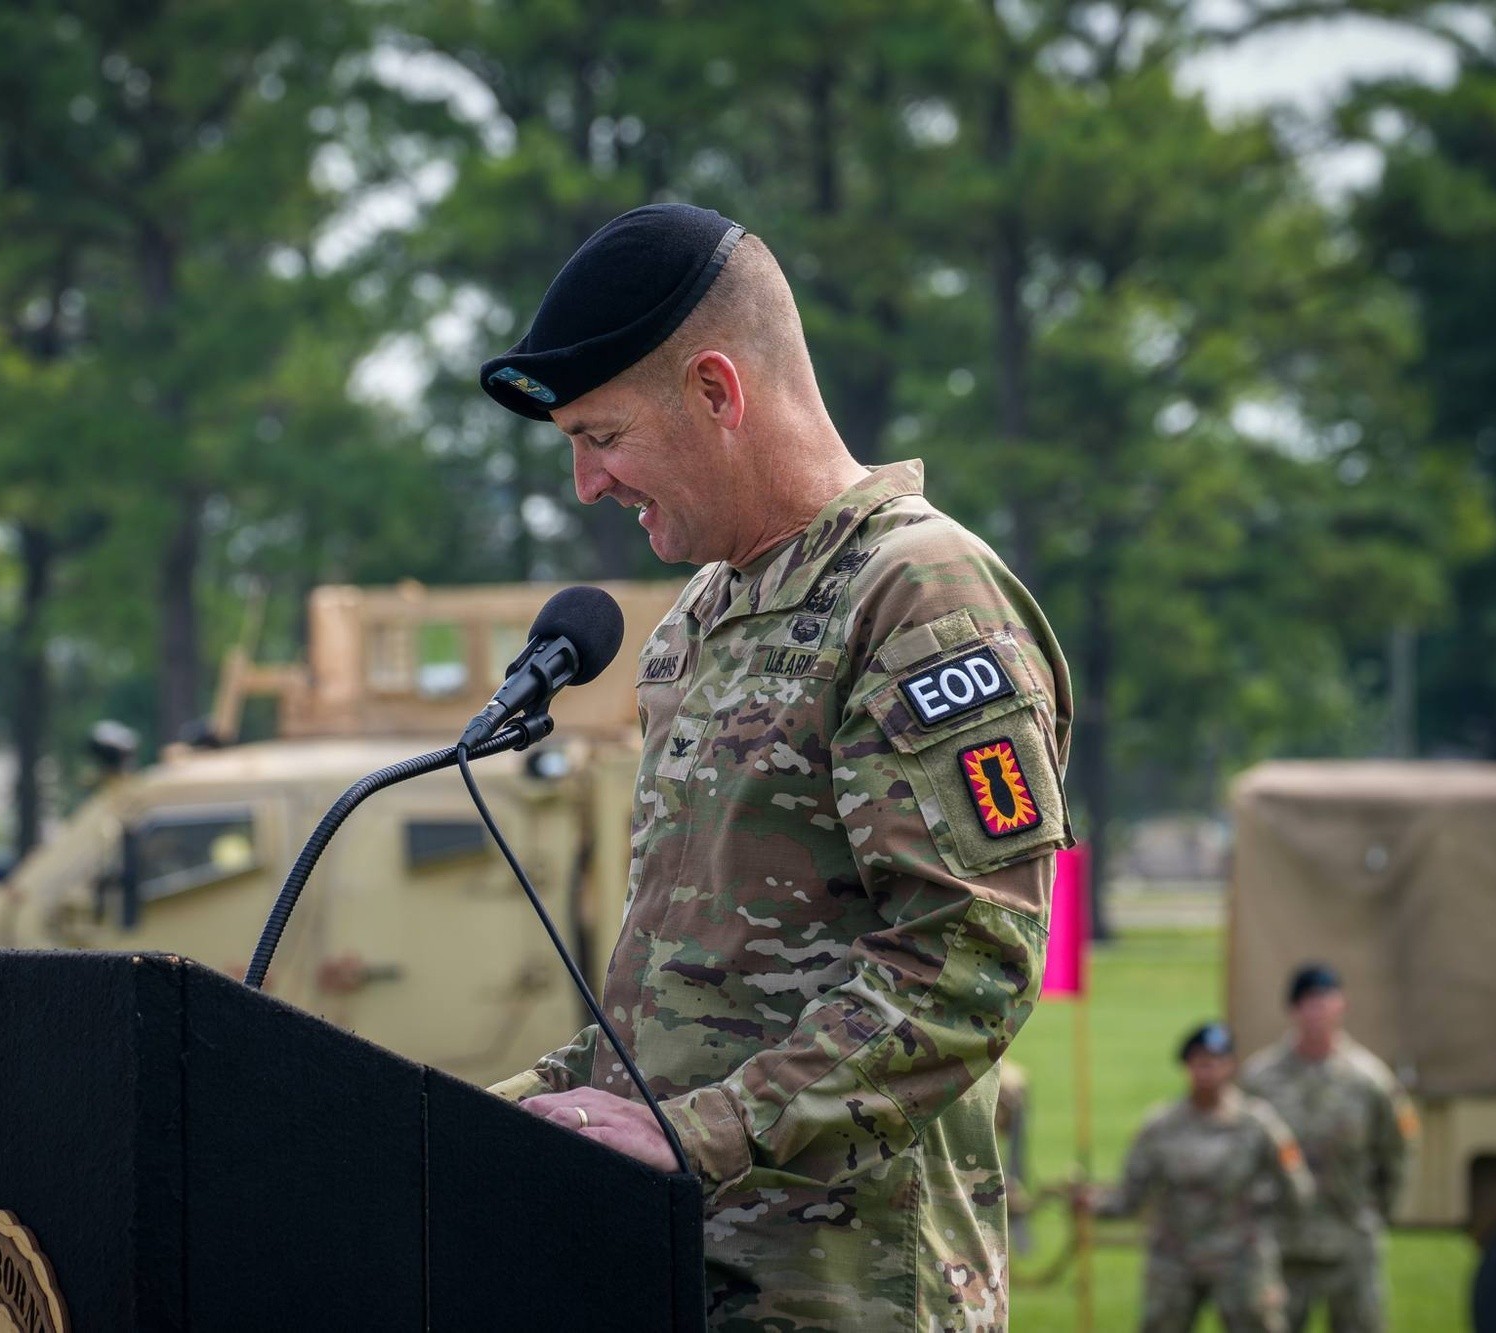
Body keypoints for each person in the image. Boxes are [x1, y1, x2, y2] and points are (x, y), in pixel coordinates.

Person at [478, 202, 1074, 1330]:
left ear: (715, 391)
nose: (585, 487)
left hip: (853, 1294)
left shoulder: (917, 595)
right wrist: (507, 1112)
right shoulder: (700, 618)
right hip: (688, 1277)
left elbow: (969, 960)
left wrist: (692, 1138)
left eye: (599, 438)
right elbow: (686, 995)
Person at [1086, 1022, 1313, 1333]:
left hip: (1241, 1259)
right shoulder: (1160, 1126)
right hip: (1174, 1261)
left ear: (1231, 1065)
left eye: (1216, 1061)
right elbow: (1130, 1195)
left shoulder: (1259, 1124)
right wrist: (1092, 1203)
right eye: (1199, 1062)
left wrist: (1272, 1240)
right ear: (1187, 1066)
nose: (1207, 1070)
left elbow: (1297, 1189)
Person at [1240, 964, 1418, 1333]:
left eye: (1325, 1002)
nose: (1317, 1012)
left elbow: (1396, 1151)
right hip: (1282, 1244)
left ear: (1342, 1006)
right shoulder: (1260, 1079)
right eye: (1308, 1003)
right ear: (1293, 1010)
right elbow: (1243, 1155)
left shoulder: (1369, 1080)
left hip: (1349, 1241)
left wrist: (1375, 1212)